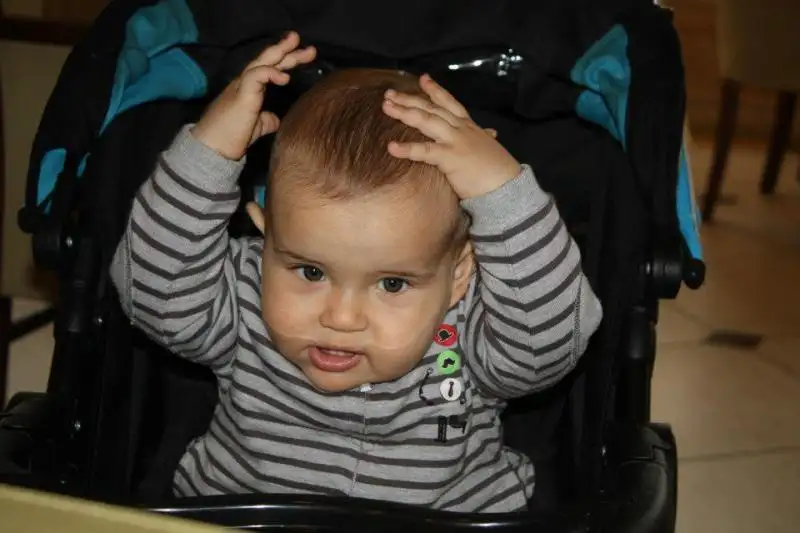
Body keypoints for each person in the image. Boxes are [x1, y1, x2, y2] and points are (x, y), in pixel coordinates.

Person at [110, 31, 603, 513]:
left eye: (392, 283)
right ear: (265, 240)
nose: (341, 318)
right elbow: (155, 295)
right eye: (310, 272)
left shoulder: (470, 331)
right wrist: (206, 156)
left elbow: (546, 344)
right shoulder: (245, 303)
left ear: (458, 275)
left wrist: (503, 195)